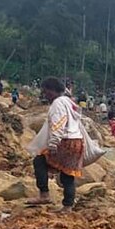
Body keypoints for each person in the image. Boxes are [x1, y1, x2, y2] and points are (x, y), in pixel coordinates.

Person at [26, 78, 85, 211]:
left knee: (39, 161)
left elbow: (59, 123)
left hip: (65, 141)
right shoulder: (69, 102)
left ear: (52, 90)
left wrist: (53, 144)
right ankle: (68, 206)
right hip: (77, 141)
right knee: (67, 175)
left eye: (46, 91)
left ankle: (44, 195)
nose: (44, 94)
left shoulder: (57, 104)